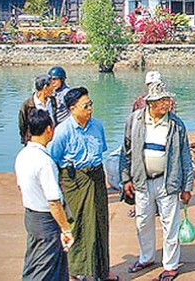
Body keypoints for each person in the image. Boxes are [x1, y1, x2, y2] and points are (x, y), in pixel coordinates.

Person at [121, 81, 193, 281]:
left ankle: (170, 265)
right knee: (143, 221)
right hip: (142, 181)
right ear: (151, 103)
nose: (167, 103)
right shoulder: (135, 121)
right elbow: (125, 151)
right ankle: (146, 257)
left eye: (168, 100)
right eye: (162, 101)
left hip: (167, 181)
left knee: (170, 224)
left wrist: (187, 187)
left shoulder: (176, 124)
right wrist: (126, 178)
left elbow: (186, 157)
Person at [48, 87, 118, 281]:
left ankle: (102, 270)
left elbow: (101, 150)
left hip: (95, 177)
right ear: (72, 109)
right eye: (85, 106)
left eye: (90, 105)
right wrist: (57, 192)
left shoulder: (97, 126)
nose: (90, 109)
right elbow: (52, 160)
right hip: (75, 181)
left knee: (100, 223)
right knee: (77, 225)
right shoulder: (63, 131)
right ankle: (76, 272)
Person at [15, 109, 74, 281]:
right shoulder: (45, 162)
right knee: (45, 268)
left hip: (31, 215)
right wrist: (65, 229)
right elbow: (54, 201)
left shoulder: (23, 155)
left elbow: (20, 186)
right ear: (49, 129)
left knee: (37, 262)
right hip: (46, 221)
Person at [19, 74, 57, 145]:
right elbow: (23, 127)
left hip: (52, 140)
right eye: (52, 85)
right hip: (35, 143)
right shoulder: (27, 105)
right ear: (45, 87)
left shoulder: (52, 101)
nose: (54, 88)